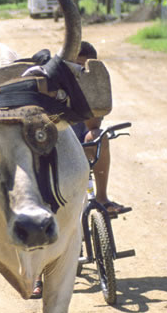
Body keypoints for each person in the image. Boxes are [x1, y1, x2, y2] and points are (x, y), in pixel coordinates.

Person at [32, 40, 128, 298]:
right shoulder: (49, 81)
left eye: (85, 68)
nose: (80, 71)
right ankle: (36, 276)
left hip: (82, 148)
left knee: (98, 135)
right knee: (42, 211)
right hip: (56, 148)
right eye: (76, 66)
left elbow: (93, 121)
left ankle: (102, 198)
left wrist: (83, 94)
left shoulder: (94, 85)